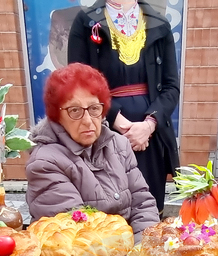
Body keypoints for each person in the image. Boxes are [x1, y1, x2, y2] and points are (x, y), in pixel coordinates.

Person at [68, 0, 180, 212]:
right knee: (108, 207)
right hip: (103, 128)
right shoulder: (85, 22)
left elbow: (171, 87)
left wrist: (148, 126)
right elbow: (78, 81)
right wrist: (116, 120)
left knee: (149, 205)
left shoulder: (159, 24)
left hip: (150, 136)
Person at [26, 63, 160, 235]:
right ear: (57, 115)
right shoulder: (44, 162)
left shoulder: (120, 145)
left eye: (94, 108)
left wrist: (142, 251)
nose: (88, 120)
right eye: (75, 110)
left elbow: (143, 203)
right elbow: (77, 230)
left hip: (126, 250)